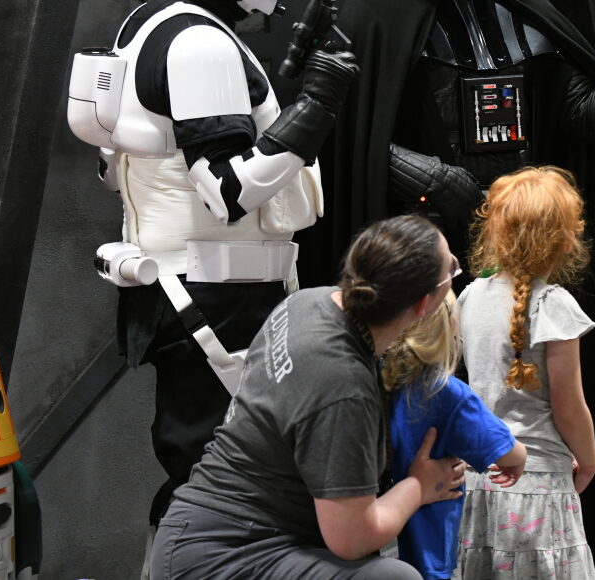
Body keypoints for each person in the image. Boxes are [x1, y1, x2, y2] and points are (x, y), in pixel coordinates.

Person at [309, 0, 595, 577]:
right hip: (425, 261)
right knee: (421, 413)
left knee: (520, 398)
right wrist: (434, 178)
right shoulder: (376, 15)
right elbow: (346, 140)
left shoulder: (527, 9)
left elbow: (580, 117)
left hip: (515, 255)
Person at [66, 0, 360, 534]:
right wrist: (316, 108)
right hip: (213, 294)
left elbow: (140, 161)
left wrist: (284, 99)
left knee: (212, 477)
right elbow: (229, 191)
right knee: (220, 486)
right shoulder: (200, 44)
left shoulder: (154, 22)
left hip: (197, 288)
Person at [149, 214, 468, 579]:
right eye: (451, 268)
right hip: (219, 557)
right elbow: (352, 539)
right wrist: (418, 486)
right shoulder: (344, 386)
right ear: (425, 304)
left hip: (195, 533)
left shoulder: (308, 302)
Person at [454, 166, 595, 579]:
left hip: (480, 481)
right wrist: (590, 461)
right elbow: (569, 407)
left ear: (495, 232)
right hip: (540, 488)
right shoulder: (553, 304)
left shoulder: (469, 297)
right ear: (566, 239)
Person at [382, 293, 528, 579]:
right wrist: (519, 459)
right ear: (450, 327)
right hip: (428, 547)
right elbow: (509, 452)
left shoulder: (381, 378)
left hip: (379, 536)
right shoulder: (448, 393)